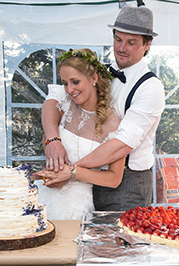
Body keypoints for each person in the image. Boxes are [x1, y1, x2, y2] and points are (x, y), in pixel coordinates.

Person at [41, 4, 165, 211]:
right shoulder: (100, 72)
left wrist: (71, 170)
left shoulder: (151, 88)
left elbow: (123, 142)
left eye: (131, 42)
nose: (121, 48)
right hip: (86, 181)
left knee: (120, 241)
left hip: (126, 183)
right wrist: (53, 140)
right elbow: (53, 100)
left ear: (147, 45)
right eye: (118, 39)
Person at [31, 48, 125, 220]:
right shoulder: (64, 105)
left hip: (76, 207)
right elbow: (48, 133)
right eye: (65, 83)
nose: (69, 89)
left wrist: (72, 173)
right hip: (44, 197)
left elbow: (114, 178)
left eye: (75, 82)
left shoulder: (114, 123)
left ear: (94, 78)